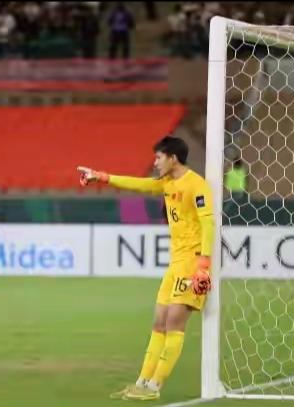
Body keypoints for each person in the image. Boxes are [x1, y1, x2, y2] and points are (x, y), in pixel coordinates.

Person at [77, 136, 214, 401]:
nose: (155, 163)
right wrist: (102, 177)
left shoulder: (196, 185)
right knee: (159, 322)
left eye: (159, 157)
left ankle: (154, 386)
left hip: (192, 261)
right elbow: (137, 184)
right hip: (175, 263)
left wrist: (203, 265)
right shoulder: (166, 183)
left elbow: (207, 223)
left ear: (173, 158)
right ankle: (142, 381)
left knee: (174, 323)